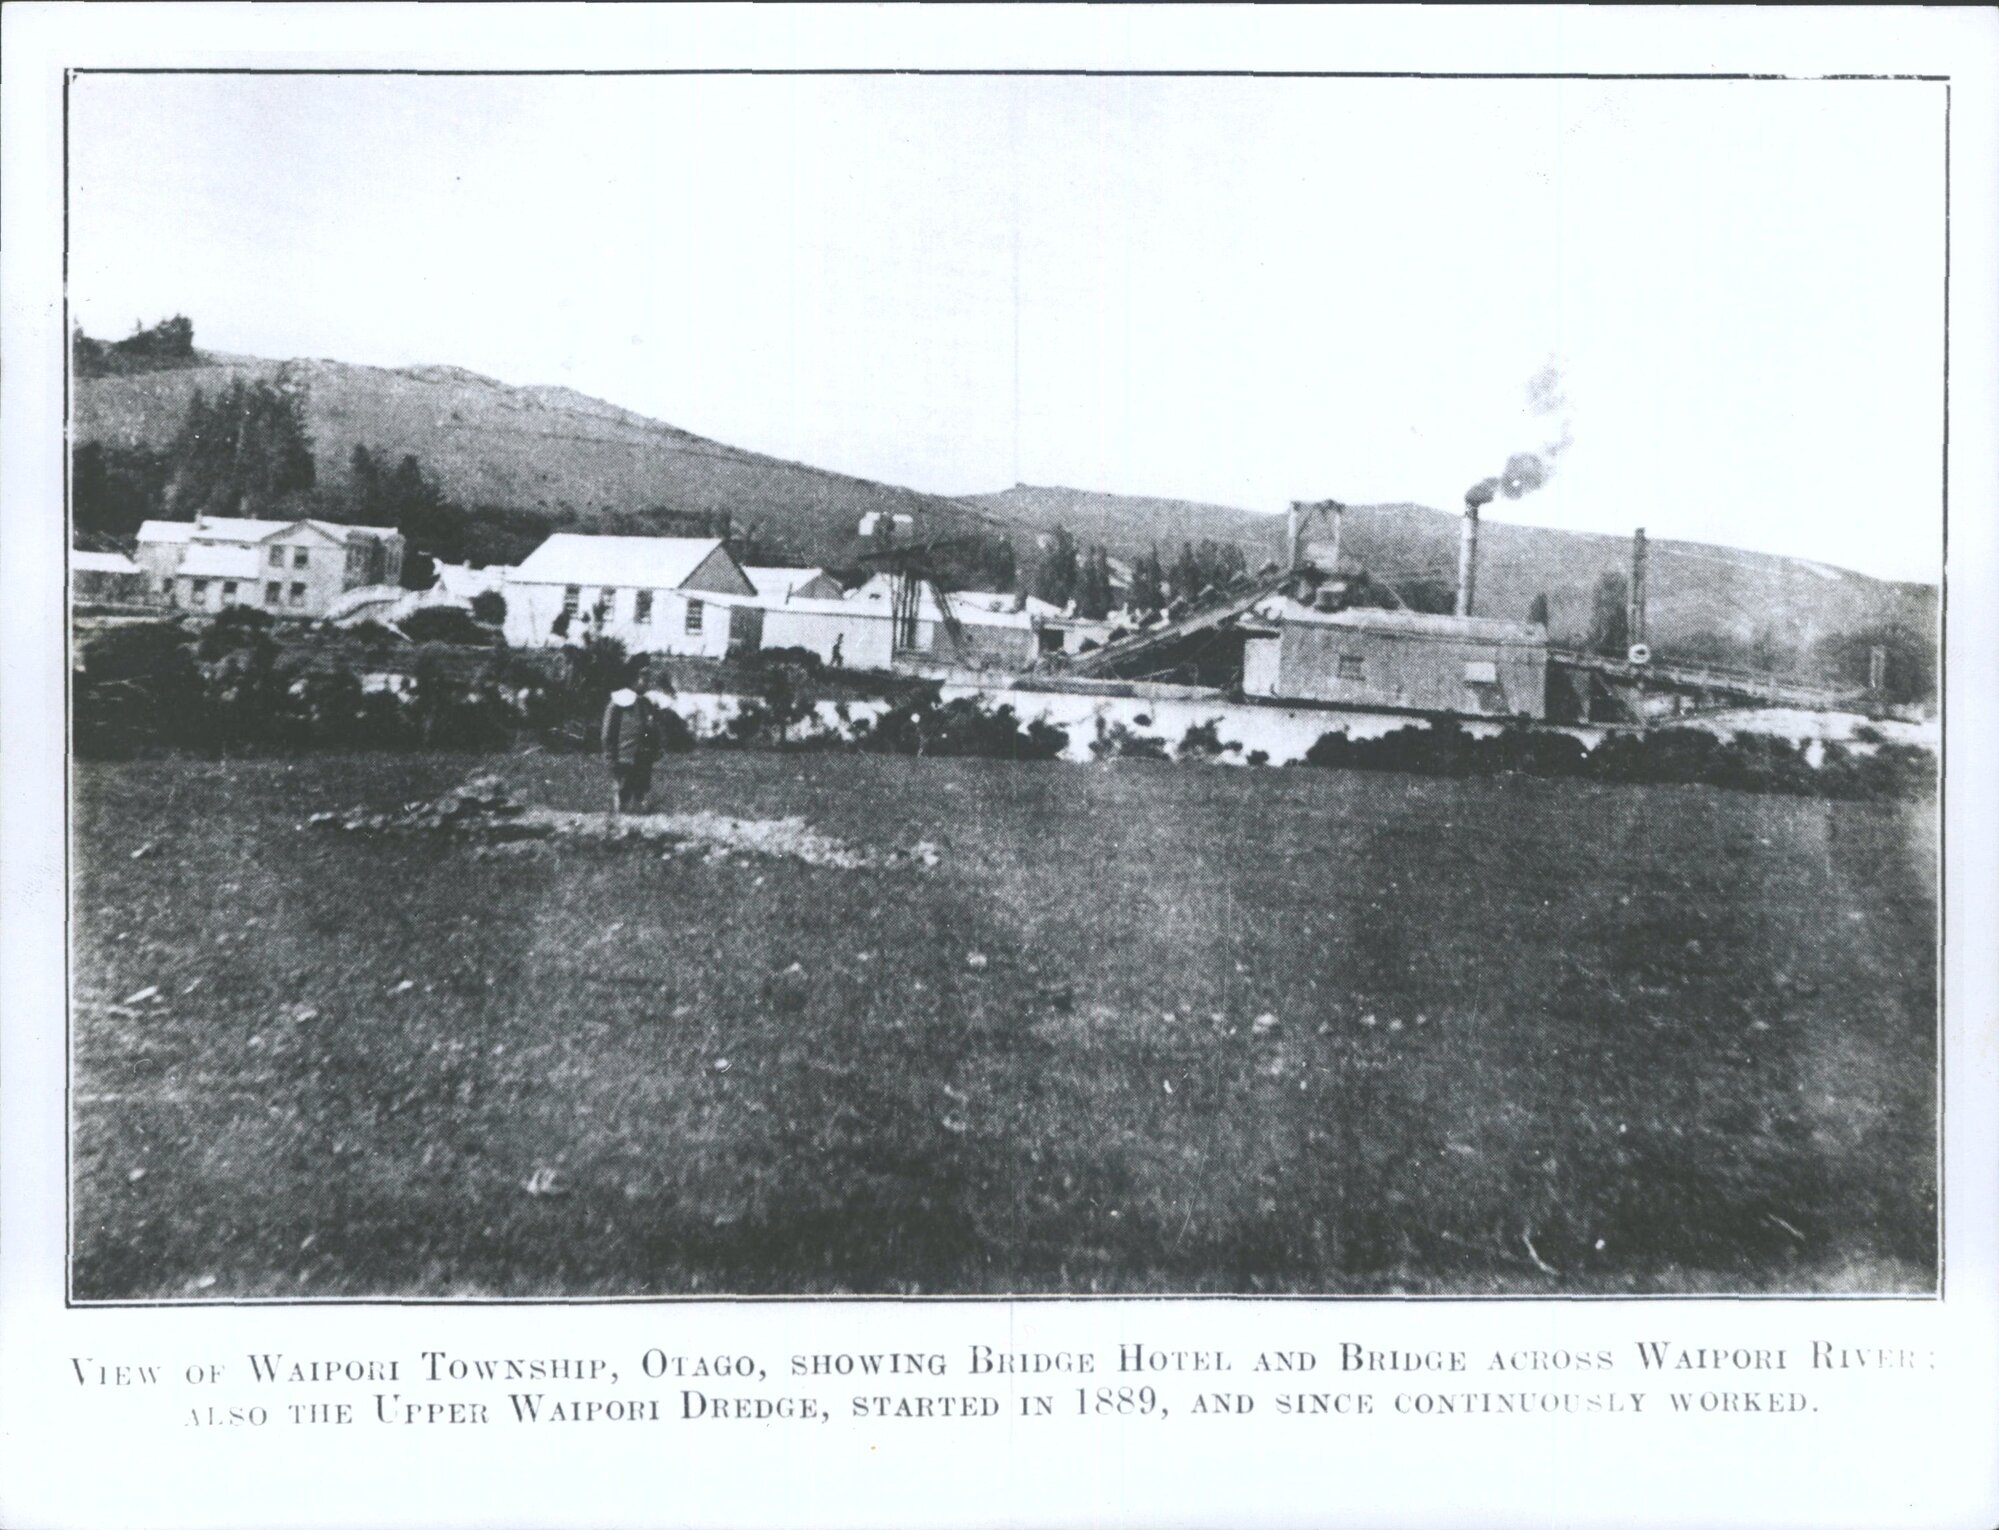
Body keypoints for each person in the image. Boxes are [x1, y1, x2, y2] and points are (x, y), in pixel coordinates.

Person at [601, 660, 666, 818]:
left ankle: (638, 823)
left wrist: (657, 748)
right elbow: (608, 732)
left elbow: (654, 728)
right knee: (623, 792)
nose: (647, 683)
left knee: (641, 791)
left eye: (648, 679)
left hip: (643, 757)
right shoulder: (619, 702)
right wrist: (610, 756)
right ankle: (619, 820)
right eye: (644, 678)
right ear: (632, 680)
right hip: (625, 756)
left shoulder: (646, 703)